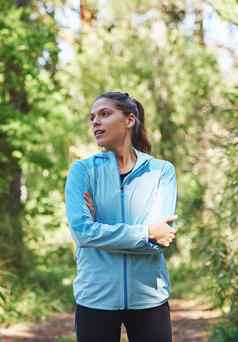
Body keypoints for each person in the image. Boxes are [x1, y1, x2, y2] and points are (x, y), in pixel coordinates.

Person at [64, 91, 177, 342]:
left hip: (150, 297)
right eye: (92, 117)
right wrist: (146, 231)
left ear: (129, 120)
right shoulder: (82, 171)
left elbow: (160, 242)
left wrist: (100, 228)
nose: (95, 121)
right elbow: (82, 233)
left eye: (104, 114)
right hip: (95, 297)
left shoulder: (161, 171)